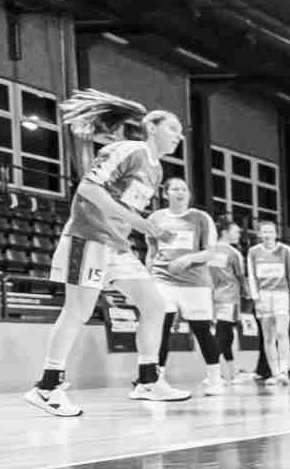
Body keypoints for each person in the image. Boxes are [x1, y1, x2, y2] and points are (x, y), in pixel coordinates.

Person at [25, 91, 185, 417]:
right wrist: (141, 224)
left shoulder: (156, 170)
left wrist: (142, 229)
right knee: (77, 312)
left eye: (180, 132)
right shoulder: (127, 150)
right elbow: (88, 189)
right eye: (173, 128)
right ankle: (47, 387)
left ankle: (148, 380)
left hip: (116, 246)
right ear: (151, 127)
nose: (178, 137)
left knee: (155, 306)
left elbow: (124, 208)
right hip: (88, 238)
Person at [145, 177, 225, 396]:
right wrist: (148, 277)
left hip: (195, 284)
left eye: (184, 189)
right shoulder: (155, 218)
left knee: (202, 331)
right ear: (165, 194)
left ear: (189, 194)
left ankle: (215, 379)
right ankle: (156, 380)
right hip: (163, 280)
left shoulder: (201, 218)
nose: (180, 192)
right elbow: (151, 253)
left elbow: (210, 252)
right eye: (175, 189)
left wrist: (189, 259)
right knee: (160, 329)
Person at [247, 218, 290, 385]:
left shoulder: (285, 250)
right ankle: (275, 373)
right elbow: (251, 277)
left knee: (282, 333)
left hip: (282, 295)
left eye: (270, 231)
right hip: (263, 296)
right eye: (264, 231)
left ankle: (283, 371)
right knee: (268, 337)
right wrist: (256, 299)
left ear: (276, 233)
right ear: (259, 234)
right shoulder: (253, 252)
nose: (267, 234)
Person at [209, 217, 251, 384]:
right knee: (223, 336)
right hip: (229, 298)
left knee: (226, 335)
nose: (239, 234)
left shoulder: (208, 250)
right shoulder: (234, 253)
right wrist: (248, 294)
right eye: (236, 231)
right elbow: (240, 277)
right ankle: (212, 375)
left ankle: (233, 372)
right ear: (225, 232)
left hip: (212, 298)